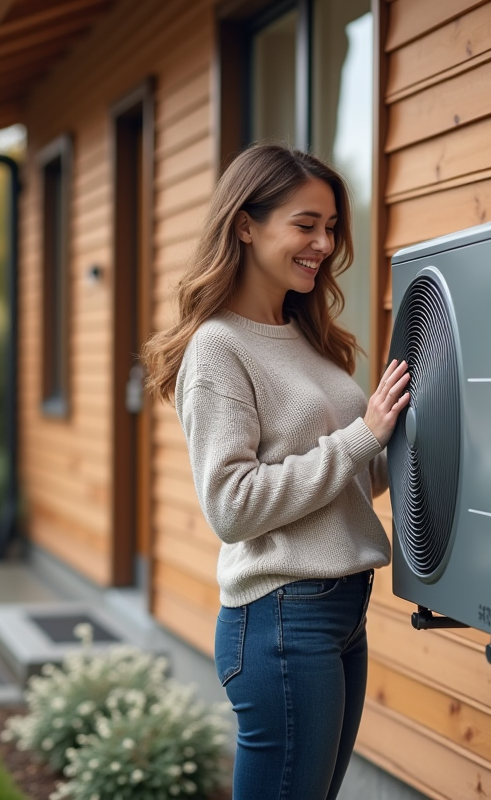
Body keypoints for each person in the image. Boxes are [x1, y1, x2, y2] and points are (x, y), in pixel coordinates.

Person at [142, 143, 411, 799]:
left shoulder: (305, 333)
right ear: (245, 224)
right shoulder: (218, 347)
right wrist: (361, 436)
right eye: (306, 224)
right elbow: (232, 508)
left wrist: (402, 438)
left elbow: (343, 487)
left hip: (343, 611)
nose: (324, 243)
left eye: (331, 228)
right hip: (283, 618)